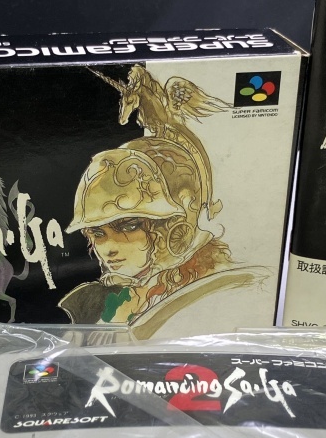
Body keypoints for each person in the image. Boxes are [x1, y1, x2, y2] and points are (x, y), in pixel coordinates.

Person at [60, 140, 261, 336]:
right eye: (98, 233)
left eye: (129, 227)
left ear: (165, 227)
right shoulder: (98, 300)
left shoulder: (223, 287)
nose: (109, 249)